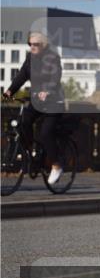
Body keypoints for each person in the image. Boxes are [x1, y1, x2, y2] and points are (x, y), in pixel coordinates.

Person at [3, 31, 65, 184]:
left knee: (45, 133)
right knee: (24, 123)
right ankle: (29, 152)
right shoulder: (30, 58)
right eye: (30, 44)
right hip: (37, 101)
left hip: (53, 102)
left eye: (36, 44)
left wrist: (47, 90)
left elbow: (56, 76)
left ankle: (56, 165)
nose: (32, 47)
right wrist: (11, 90)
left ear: (44, 45)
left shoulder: (52, 58)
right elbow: (22, 75)